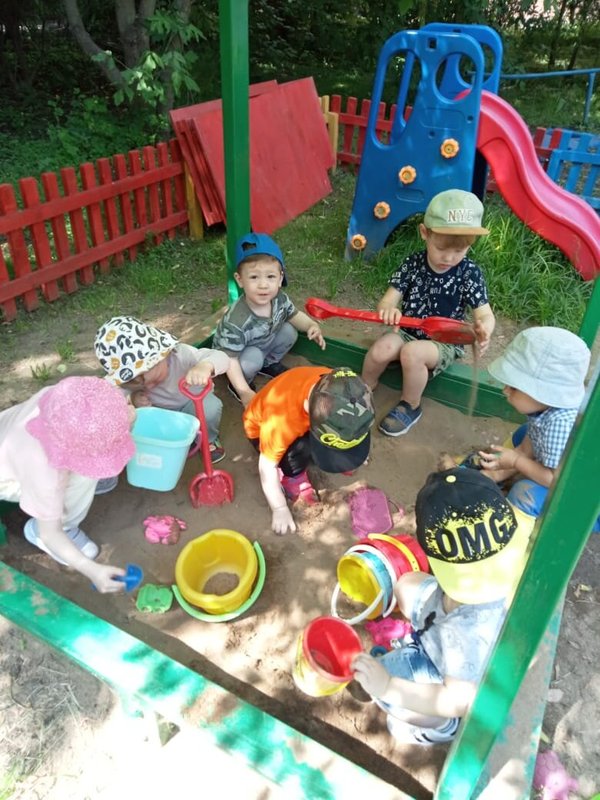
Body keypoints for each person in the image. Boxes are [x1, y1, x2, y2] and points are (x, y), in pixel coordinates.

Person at [352, 467, 534, 745]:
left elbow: (458, 700)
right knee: (407, 584)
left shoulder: (466, 633)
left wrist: (388, 686)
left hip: (453, 670)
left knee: (390, 696)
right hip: (445, 620)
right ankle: (417, 643)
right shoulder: (512, 547)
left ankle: (441, 727)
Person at [361, 189, 496, 436]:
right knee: (381, 348)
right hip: (407, 332)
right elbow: (388, 301)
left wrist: (484, 329)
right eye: (441, 248)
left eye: (460, 250)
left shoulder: (469, 273)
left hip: (444, 341)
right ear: (425, 233)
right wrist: (388, 310)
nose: (449, 257)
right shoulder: (413, 264)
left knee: (412, 353)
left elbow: (485, 314)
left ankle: (410, 405)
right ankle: (364, 388)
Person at [0, 377, 136, 593]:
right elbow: (50, 534)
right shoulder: (46, 471)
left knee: (83, 472)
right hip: (9, 479)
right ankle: (61, 525)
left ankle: (91, 476)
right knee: (81, 476)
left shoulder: (67, 400)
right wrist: (91, 569)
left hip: (10, 440)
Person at [477, 326, 598, 531]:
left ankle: (515, 534)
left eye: (514, 387)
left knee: (525, 492)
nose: (505, 390)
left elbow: (555, 480)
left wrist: (515, 461)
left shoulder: (560, 425)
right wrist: (495, 474)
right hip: (557, 466)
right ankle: (501, 477)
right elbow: (526, 449)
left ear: (544, 393)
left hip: (583, 497)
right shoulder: (543, 408)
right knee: (523, 433)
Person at [243, 365, 374, 535]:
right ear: (307, 407)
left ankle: (341, 449)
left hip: (307, 421)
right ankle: (293, 476)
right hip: (262, 432)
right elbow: (266, 466)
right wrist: (279, 508)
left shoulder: (340, 386)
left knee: (341, 431)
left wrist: (352, 448)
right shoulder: (282, 421)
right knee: (301, 447)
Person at [94, 316, 229, 464]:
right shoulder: (130, 380)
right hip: (163, 416)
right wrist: (132, 398)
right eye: (134, 383)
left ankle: (207, 439)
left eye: (151, 381)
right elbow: (111, 398)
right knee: (133, 419)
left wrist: (205, 365)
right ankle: (169, 444)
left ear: (161, 356)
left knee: (209, 408)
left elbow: (222, 357)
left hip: (193, 405)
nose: (148, 387)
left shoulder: (181, 355)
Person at [213, 232, 326, 406]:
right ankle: (239, 386)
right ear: (240, 280)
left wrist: (311, 325)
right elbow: (230, 359)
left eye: (270, 276)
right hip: (236, 357)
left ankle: (268, 364)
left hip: (262, 342)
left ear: (280, 278)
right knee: (253, 358)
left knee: (289, 331)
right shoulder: (236, 320)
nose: (263, 285)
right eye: (254, 277)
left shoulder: (279, 299)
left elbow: (294, 315)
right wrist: (244, 392)